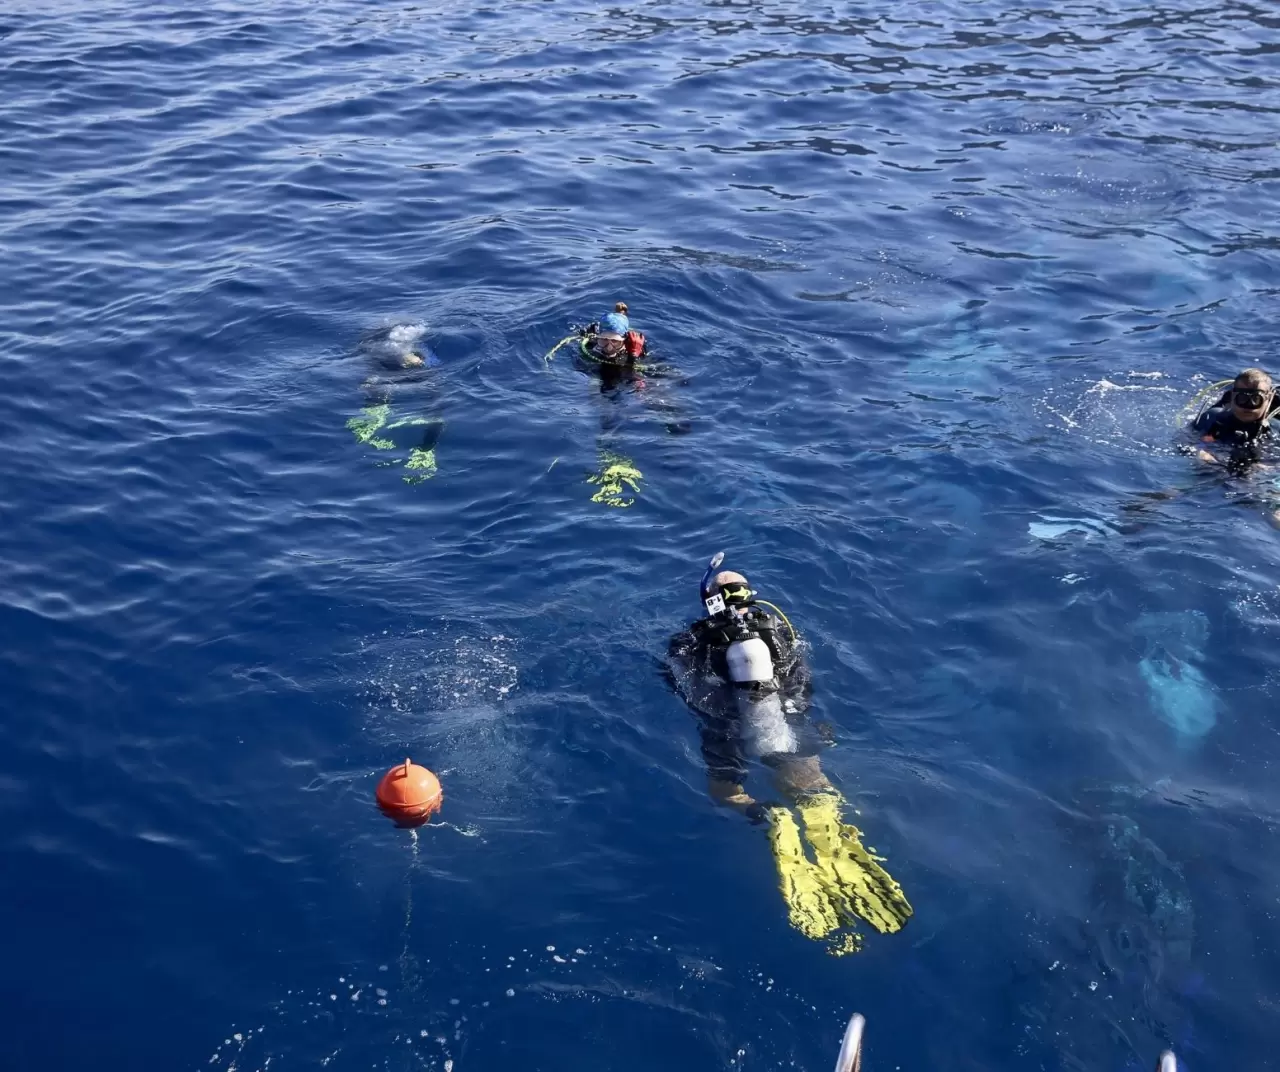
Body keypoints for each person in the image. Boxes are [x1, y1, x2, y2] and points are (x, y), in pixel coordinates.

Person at [665, 553, 912, 954]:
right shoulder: (776, 629)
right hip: (784, 721)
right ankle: (821, 810)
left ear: (710, 600)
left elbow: (684, 683)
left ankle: (768, 815)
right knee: (808, 781)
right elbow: (801, 685)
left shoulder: (692, 638)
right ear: (749, 597)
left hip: (725, 725)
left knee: (724, 792)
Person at [1192, 368, 1279, 462]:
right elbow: (1185, 441)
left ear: (1269, 398)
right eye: (1242, 398)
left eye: (1256, 399)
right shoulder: (1212, 418)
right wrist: (1199, 451)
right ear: (1232, 395)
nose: (1248, 406)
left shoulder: (1275, 431)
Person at [580, 301, 646, 364]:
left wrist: (632, 357)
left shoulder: (634, 349)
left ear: (624, 340)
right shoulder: (592, 345)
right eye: (604, 339)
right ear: (598, 338)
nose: (609, 348)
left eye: (615, 341)